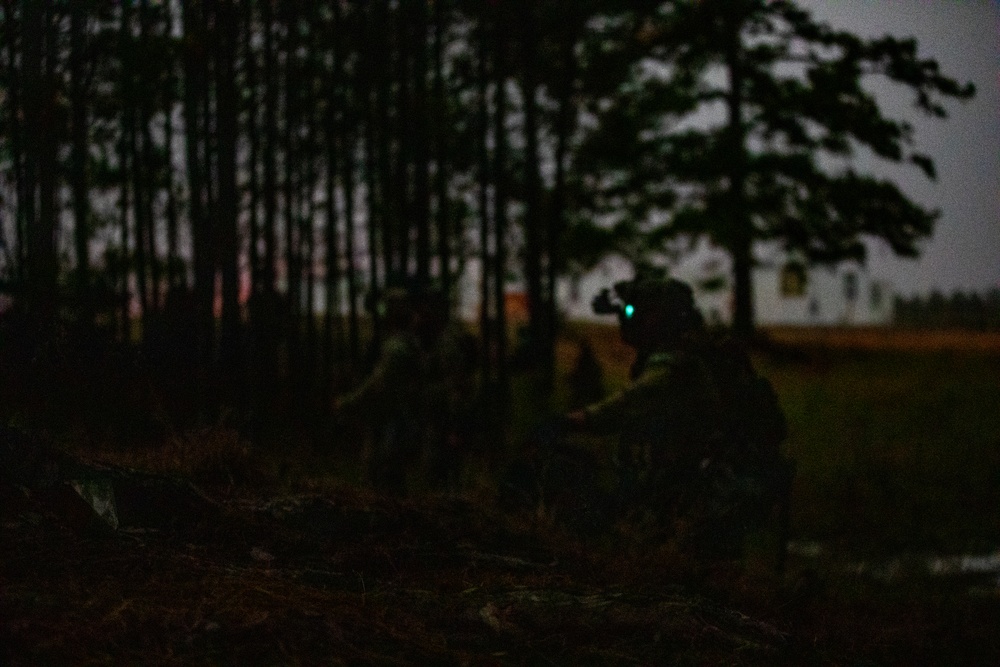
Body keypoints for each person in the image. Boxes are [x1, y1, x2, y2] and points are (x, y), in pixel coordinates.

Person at [567, 276, 792, 558]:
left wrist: (576, 420)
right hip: (710, 485)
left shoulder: (678, 360)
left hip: (710, 490)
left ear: (661, 317)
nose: (629, 321)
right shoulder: (696, 349)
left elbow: (633, 401)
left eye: (637, 314)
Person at [334, 285, 426, 496]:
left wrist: (346, 402)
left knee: (382, 487)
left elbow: (378, 385)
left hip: (393, 426)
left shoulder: (397, 348)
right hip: (397, 423)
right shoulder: (407, 344)